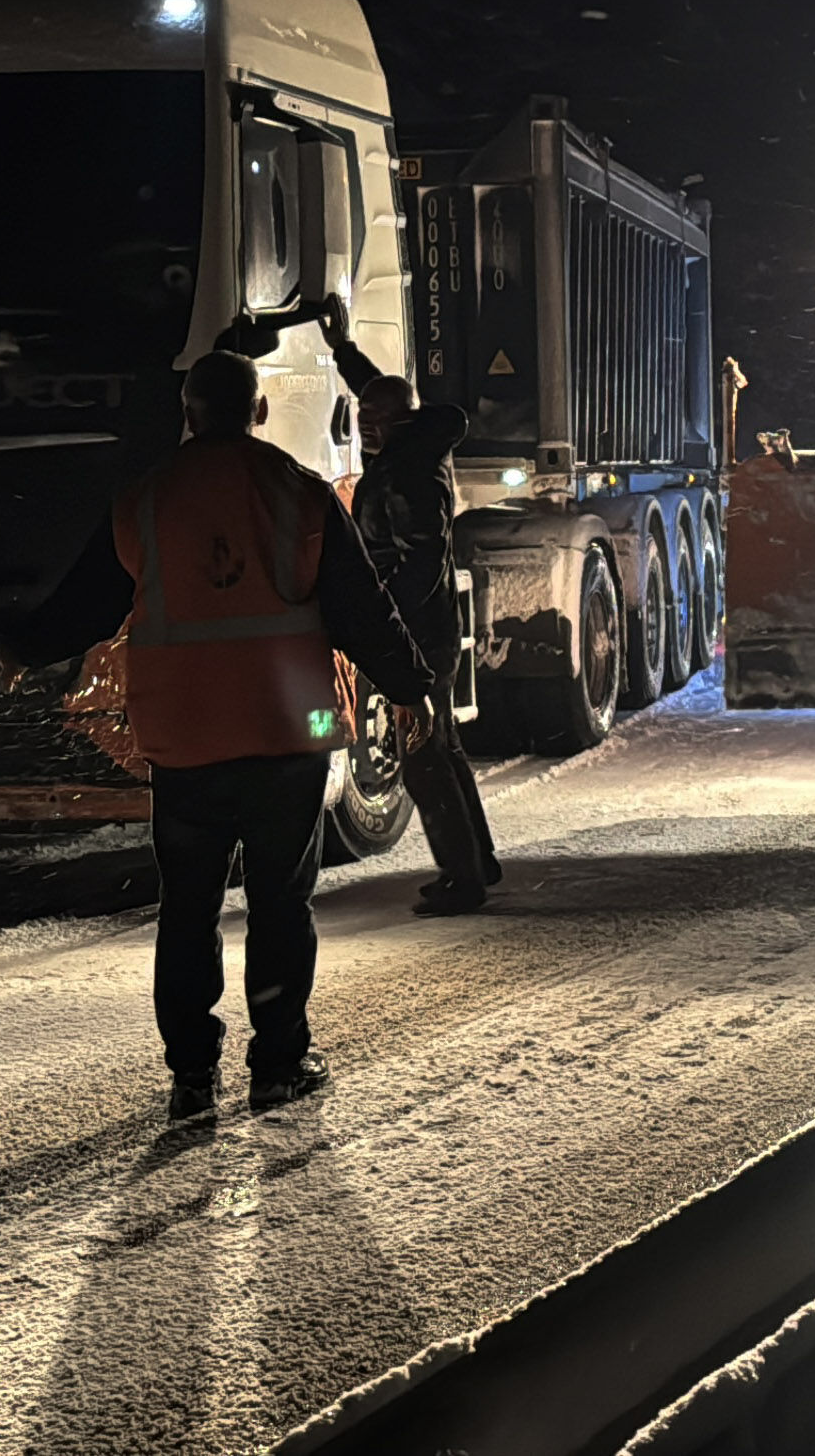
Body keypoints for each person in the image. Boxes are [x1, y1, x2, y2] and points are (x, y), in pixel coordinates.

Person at [103, 348, 436, 1125]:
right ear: (258, 412)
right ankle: (279, 1065)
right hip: (287, 735)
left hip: (182, 739)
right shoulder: (299, 493)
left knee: (187, 907)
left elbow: (91, 595)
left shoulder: (145, 501)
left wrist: (18, 649)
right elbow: (362, 606)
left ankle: (192, 1076)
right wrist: (412, 684)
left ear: (189, 414)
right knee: (281, 904)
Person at [320, 300, 503, 915]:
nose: (363, 424)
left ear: (398, 421)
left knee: (423, 754)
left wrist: (385, 625)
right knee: (443, 743)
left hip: (419, 633)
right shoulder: (415, 448)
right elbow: (379, 395)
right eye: (362, 415)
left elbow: (421, 561)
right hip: (430, 629)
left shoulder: (408, 474)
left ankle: (463, 878)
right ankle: (478, 862)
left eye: (374, 418)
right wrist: (343, 349)